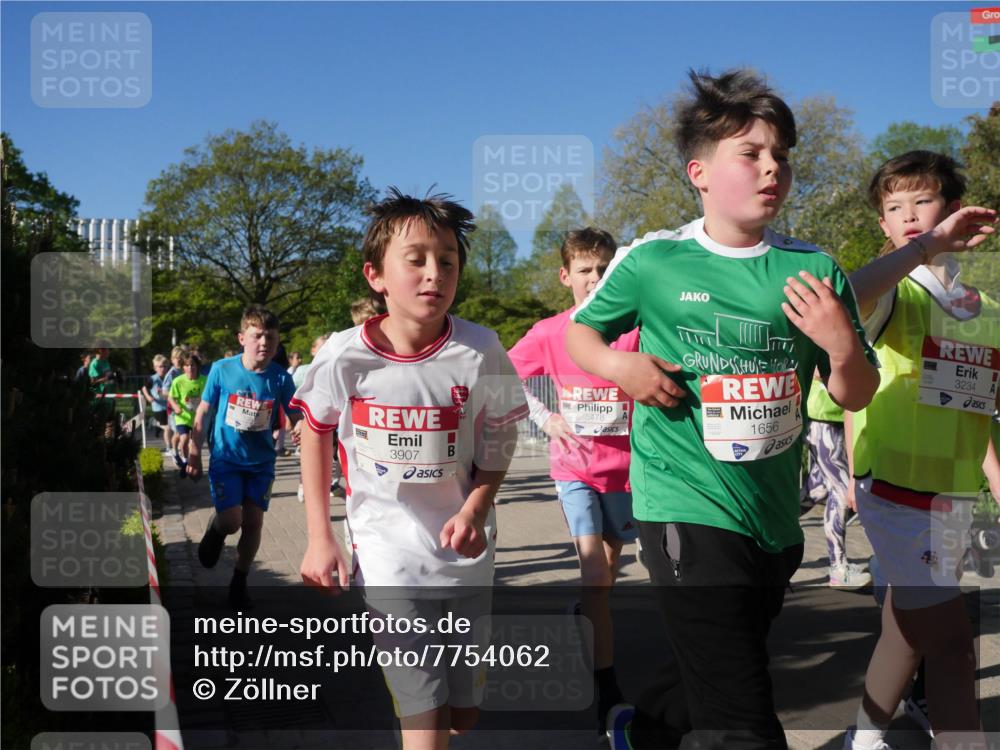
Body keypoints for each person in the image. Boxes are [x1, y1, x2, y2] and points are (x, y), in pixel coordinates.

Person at [566, 68, 881, 750]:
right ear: (699, 172)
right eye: (752, 153)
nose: (773, 168)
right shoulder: (653, 260)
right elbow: (580, 333)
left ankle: (639, 730)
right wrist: (624, 365)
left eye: (783, 157)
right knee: (742, 722)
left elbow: (856, 392)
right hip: (683, 504)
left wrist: (839, 344)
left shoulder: (815, 271)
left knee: (721, 670)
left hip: (772, 516)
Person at [295, 188, 526, 750]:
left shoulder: (481, 349)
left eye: (447, 261)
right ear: (376, 275)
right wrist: (320, 537)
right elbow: (315, 435)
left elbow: (502, 433)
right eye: (416, 259)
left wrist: (477, 505)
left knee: (462, 715)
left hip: (466, 553)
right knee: (422, 720)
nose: (434, 274)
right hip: (386, 555)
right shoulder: (343, 355)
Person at [842, 151, 997, 750]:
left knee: (905, 628)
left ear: (955, 210)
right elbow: (846, 297)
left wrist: (994, 477)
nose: (907, 214)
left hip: (954, 498)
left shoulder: (988, 312)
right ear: (883, 224)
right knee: (954, 643)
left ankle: (865, 736)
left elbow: (976, 409)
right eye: (893, 207)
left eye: (921, 201)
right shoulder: (896, 291)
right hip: (897, 497)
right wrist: (921, 249)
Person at [507, 226, 639, 738]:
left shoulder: (634, 329)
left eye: (604, 269)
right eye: (585, 270)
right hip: (574, 469)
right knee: (595, 574)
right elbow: (504, 374)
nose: (595, 278)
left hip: (626, 475)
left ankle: (588, 611)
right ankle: (606, 687)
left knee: (607, 564)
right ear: (566, 277)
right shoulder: (549, 332)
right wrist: (544, 418)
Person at [188, 305, 301, 610]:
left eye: (271, 338)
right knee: (231, 521)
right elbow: (203, 411)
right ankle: (215, 529)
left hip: (261, 464)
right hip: (227, 459)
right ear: (242, 338)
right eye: (257, 336)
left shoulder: (280, 378)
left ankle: (239, 581)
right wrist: (195, 451)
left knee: (253, 523)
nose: (264, 343)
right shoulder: (222, 370)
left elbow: (294, 413)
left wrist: (300, 426)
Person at [801, 375, 872, 588]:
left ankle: (764, 534)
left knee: (818, 489)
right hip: (823, 415)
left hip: (837, 416)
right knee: (841, 491)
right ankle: (838, 569)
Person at [168, 353, 207, 475]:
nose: (190, 368)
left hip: (197, 417)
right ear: (183, 367)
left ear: (197, 366)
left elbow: (208, 398)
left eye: (193, 365)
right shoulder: (178, 381)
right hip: (182, 417)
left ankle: (193, 464)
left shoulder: (204, 381)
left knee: (194, 443)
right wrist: (175, 407)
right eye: (187, 365)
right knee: (184, 439)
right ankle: (185, 462)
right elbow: (170, 397)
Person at [163, 345, 187, 461]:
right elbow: (164, 391)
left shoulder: (185, 370)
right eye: (176, 358)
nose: (178, 360)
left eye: (180, 358)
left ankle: (182, 453)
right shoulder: (171, 373)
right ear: (172, 359)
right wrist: (174, 399)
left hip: (186, 407)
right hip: (173, 408)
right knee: (178, 432)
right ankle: (175, 451)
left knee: (184, 433)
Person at [142, 354, 171, 446]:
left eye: (164, 366)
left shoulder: (169, 378)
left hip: (168, 406)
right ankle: (168, 447)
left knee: (170, 427)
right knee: (167, 428)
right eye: (160, 367)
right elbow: (144, 388)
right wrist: (148, 397)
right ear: (155, 368)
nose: (162, 369)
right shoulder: (152, 379)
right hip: (158, 407)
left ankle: (156, 423)